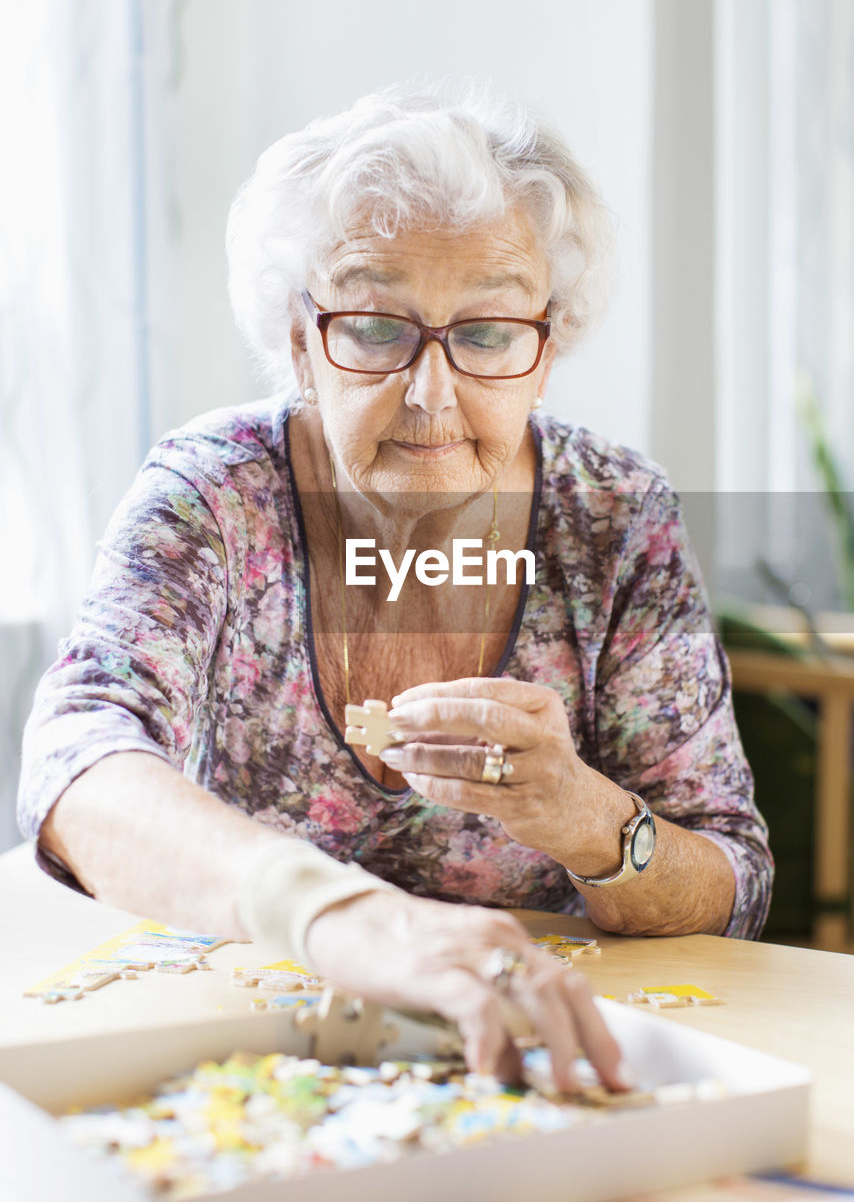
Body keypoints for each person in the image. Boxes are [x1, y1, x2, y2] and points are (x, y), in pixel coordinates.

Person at [18, 81, 772, 1093]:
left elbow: (730, 879)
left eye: (487, 332)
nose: (430, 393)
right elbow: (76, 763)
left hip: (542, 1055)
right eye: (375, 327)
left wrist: (578, 810)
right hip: (246, 1057)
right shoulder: (211, 493)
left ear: (546, 348)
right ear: (298, 336)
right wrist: (335, 912)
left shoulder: (613, 512)